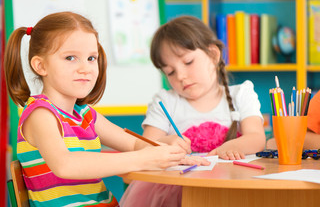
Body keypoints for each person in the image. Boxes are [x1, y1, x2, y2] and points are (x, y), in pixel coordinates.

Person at [4, 12, 208, 207]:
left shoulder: (85, 114)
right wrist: (143, 158)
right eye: (70, 58)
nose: (85, 68)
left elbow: (135, 143)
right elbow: (65, 165)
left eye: (91, 58)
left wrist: (165, 150)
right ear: (40, 66)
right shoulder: (41, 114)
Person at [120, 15, 266, 207]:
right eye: (170, 72)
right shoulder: (165, 101)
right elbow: (145, 144)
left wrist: (233, 147)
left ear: (213, 55)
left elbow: (257, 138)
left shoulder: (242, 94)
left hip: (233, 186)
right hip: (176, 189)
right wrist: (166, 143)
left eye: (188, 62)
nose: (180, 76)